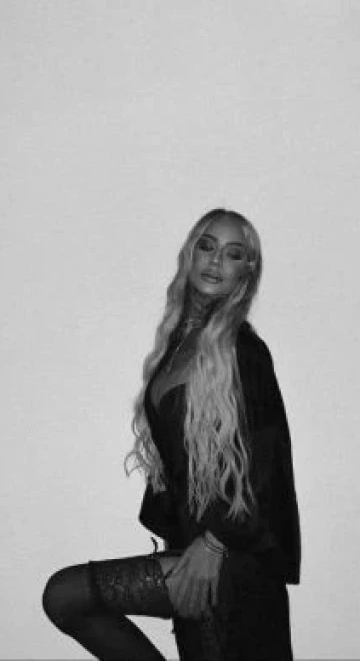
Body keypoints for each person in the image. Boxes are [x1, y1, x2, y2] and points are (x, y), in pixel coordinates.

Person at [42, 207, 301, 661]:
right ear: (190, 254)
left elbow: (266, 461)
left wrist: (215, 543)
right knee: (65, 599)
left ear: (247, 272)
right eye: (207, 246)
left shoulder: (244, 351)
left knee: (66, 595)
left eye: (233, 253)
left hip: (231, 559)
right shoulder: (180, 344)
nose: (215, 260)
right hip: (192, 551)